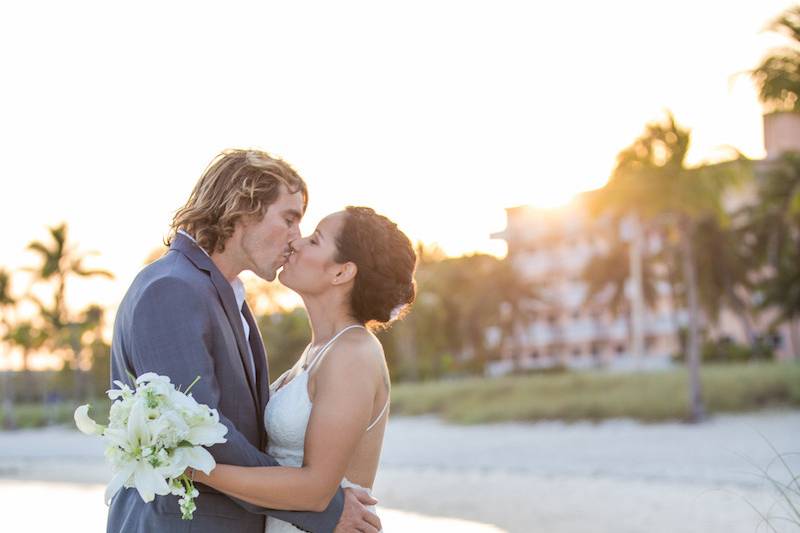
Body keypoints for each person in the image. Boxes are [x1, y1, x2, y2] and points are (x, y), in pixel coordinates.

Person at [107, 149, 382, 533]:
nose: (295, 239)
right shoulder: (172, 289)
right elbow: (200, 431)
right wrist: (325, 508)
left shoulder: (222, 293)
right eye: (289, 219)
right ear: (244, 207)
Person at [190, 206, 417, 533]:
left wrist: (192, 467)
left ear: (342, 272)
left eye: (314, 240)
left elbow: (315, 491)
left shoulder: (353, 354)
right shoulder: (318, 351)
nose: (296, 242)